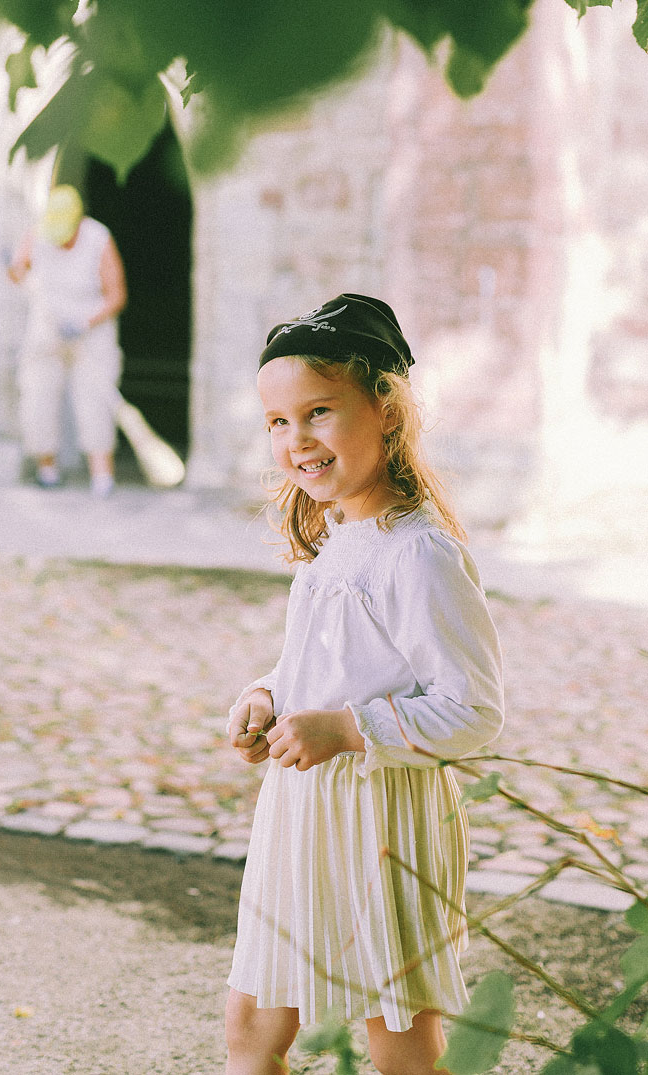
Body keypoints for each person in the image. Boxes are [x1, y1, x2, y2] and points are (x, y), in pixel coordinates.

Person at [225, 294, 505, 1075]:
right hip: (302, 813)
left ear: (386, 409)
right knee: (249, 1022)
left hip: (384, 819)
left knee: (399, 1040)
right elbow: (329, 661)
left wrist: (348, 729)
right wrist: (268, 696)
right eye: (278, 421)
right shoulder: (336, 538)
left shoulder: (420, 555)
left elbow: (474, 707)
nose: (296, 438)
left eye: (318, 411)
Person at [8, 184, 127, 495]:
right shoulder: (37, 233)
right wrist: (15, 268)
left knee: (95, 399)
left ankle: (102, 477)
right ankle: (47, 471)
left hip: (91, 328)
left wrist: (83, 323)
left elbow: (116, 295)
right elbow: (19, 271)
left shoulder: (98, 238)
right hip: (47, 325)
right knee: (38, 393)